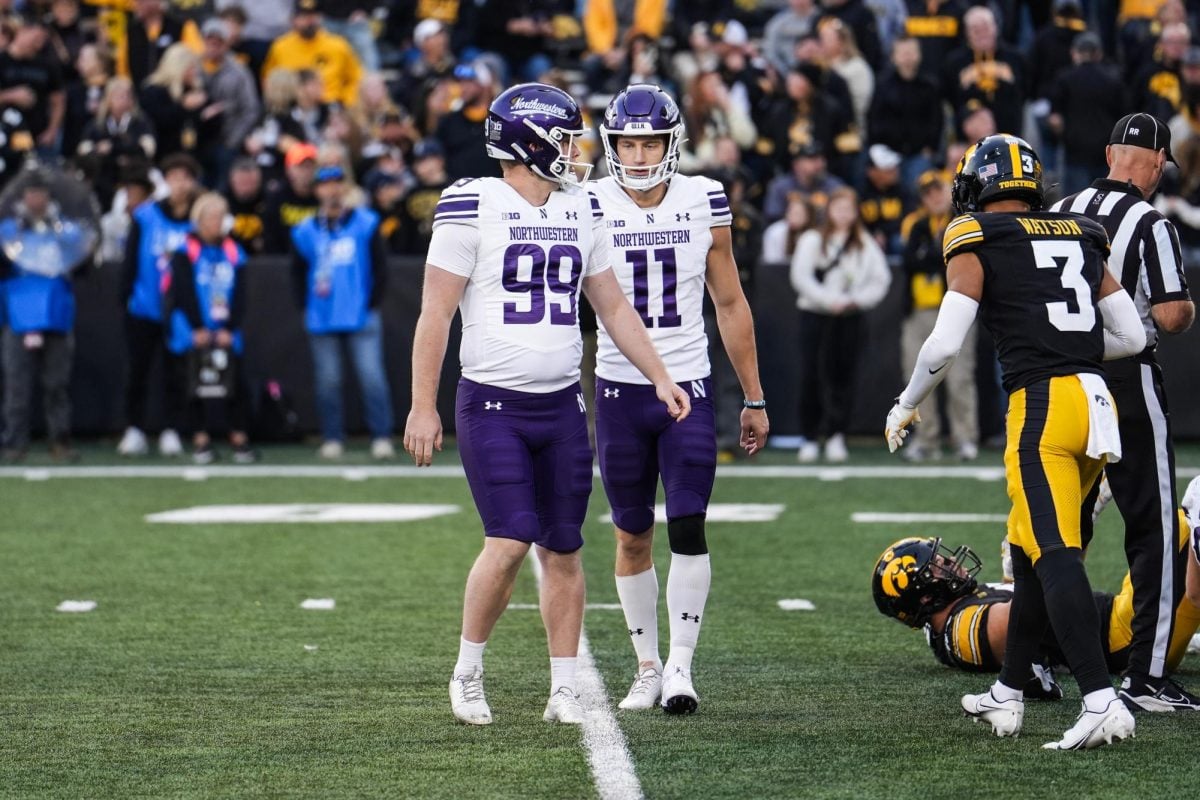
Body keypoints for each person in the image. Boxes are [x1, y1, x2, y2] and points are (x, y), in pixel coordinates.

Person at [403, 82, 690, 727]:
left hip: (562, 407)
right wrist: (424, 405)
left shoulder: (581, 206)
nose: (575, 150)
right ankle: (468, 672)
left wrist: (660, 376)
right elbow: (434, 315)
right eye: (564, 138)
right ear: (529, 142)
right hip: (493, 404)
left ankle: (563, 687)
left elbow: (612, 305)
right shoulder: (470, 203)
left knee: (564, 547)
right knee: (508, 540)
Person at [885, 134, 1147, 750]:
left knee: (1054, 554)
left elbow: (945, 343)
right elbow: (1133, 335)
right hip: (1097, 401)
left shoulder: (973, 233)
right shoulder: (1079, 231)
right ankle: (1009, 691)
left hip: (1043, 406)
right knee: (1030, 551)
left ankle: (1100, 699)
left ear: (977, 185)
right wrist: (1074, 352)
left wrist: (905, 404)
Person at [591, 85, 769, 714]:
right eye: (628, 143)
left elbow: (729, 301)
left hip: (687, 388)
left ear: (672, 144)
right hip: (618, 389)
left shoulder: (703, 198)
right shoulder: (586, 201)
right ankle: (644, 664)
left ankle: (680, 667)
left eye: (650, 142)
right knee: (632, 532)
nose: (639, 156)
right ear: (611, 146)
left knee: (689, 525)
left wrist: (753, 395)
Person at [1050, 113, 1198, 712]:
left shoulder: (1061, 208)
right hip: (1127, 379)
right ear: (1158, 161)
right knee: (1156, 529)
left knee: (1058, 528)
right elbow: (1167, 316)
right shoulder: (1152, 223)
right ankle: (1148, 676)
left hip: (1063, 378)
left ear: (1111, 152)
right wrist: (1185, 310)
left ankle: (1033, 661)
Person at [871, 483, 1200, 691]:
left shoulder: (964, 610)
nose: (952, 563)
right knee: (1189, 514)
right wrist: (1034, 558)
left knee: (1185, 512)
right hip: (1128, 637)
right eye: (939, 566)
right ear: (924, 595)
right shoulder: (960, 630)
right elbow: (1025, 620)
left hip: (1129, 623)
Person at [290, 163, 394, 460]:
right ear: (317, 191)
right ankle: (333, 436)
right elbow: (296, 272)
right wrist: (305, 306)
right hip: (322, 315)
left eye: (337, 183)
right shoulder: (306, 230)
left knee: (372, 377)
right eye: (325, 184)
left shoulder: (366, 223)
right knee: (328, 381)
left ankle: (382, 435)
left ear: (345, 188)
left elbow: (381, 267)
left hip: (361, 314)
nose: (332, 190)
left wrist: (372, 303)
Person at [0, 174, 95, 462]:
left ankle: (60, 441)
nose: (35, 199)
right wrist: (19, 229)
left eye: (40, 193)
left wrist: (55, 226)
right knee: (16, 384)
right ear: (22, 198)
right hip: (18, 316)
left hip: (56, 313)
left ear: (49, 198)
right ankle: (14, 442)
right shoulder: (8, 231)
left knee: (57, 384)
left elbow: (83, 260)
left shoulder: (66, 230)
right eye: (30, 193)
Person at [791, 186, 890, 463]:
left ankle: (836, 435)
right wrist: (828, 300)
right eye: (839, 208)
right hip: (816, 316)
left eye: (849, 209)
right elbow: (801, 277)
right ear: (829, 211)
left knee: (843, 378)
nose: (844, 214)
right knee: (811, 376)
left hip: (849, 318)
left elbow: (880, 280)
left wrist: (856, 301)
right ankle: (809, 437)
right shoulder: (812, 239)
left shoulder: (864, 243)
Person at [117, 153, 201, 458]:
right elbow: (130, 260)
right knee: (137, 371)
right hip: (144, 306)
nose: (179, 184)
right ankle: (135, 429)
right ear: (164, 182)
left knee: (176, 373)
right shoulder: (146, 216)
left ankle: (171, 429)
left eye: (185, 177)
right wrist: (124, 297)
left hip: (180, 312)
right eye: (174, 177)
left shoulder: (198, 220)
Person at [164, 192, 257, 464]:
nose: (216, 222)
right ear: (199, 220)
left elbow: (240, 293)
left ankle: (239, 437)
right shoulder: (185, 251)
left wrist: (230, 327)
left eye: (220, 216)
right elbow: (182, 291)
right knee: (194, 383)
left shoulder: (233, 251)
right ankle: (200, 439)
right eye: (211, 217)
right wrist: (197, 327)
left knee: (234, 383)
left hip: (225, 328)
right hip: (193, 327)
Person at [897, 170, 977, 461]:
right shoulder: (915, 224)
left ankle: (964, 437)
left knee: (960, 378)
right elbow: (909, 261)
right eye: (928, 194)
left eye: (939, 191)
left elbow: (944, 259)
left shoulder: (961, 224)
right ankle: (926, 439)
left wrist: (927, 257)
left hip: (955, 311)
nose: (935, 198)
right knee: (918, 379)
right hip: (918, 310)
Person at [261, 0, 362, 109]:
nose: (310, 21)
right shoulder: (280, 47)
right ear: (294, 20)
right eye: (304, 16)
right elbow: (268, 79)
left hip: (331, 106)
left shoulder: (338, 45)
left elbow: (356, 78)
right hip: (293, 107)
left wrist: (345, 100)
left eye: (314, 15)